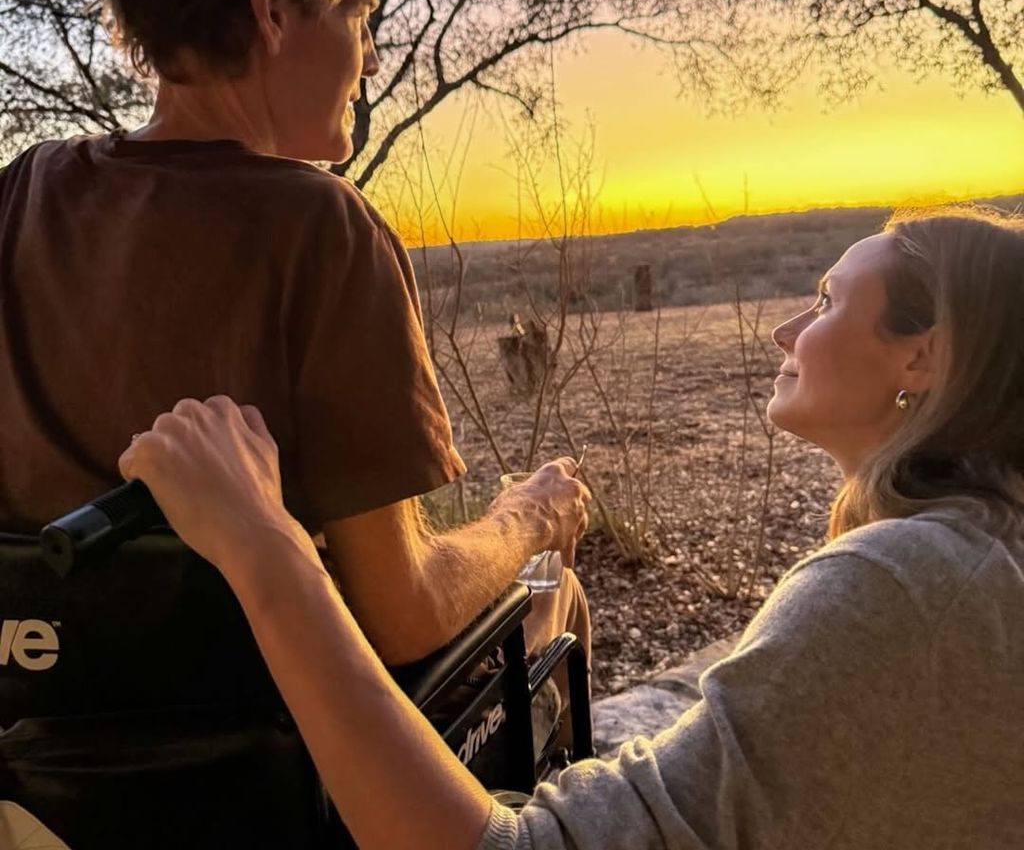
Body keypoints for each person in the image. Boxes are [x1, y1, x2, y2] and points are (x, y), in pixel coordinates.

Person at [122, 207, 1024, 849]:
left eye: (826, 301)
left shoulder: (902, 585)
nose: (785, 329)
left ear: (924, 353)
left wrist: (264, 546)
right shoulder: (977, 555)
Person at [0, 0, 588, 668]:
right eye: (357, 10)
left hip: (42, 744)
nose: (372, 54)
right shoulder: (322, 229)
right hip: (275, 755)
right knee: (551, 590)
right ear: (271, 11)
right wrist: (528, 514)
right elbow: (406, 611)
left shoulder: (23, 193)